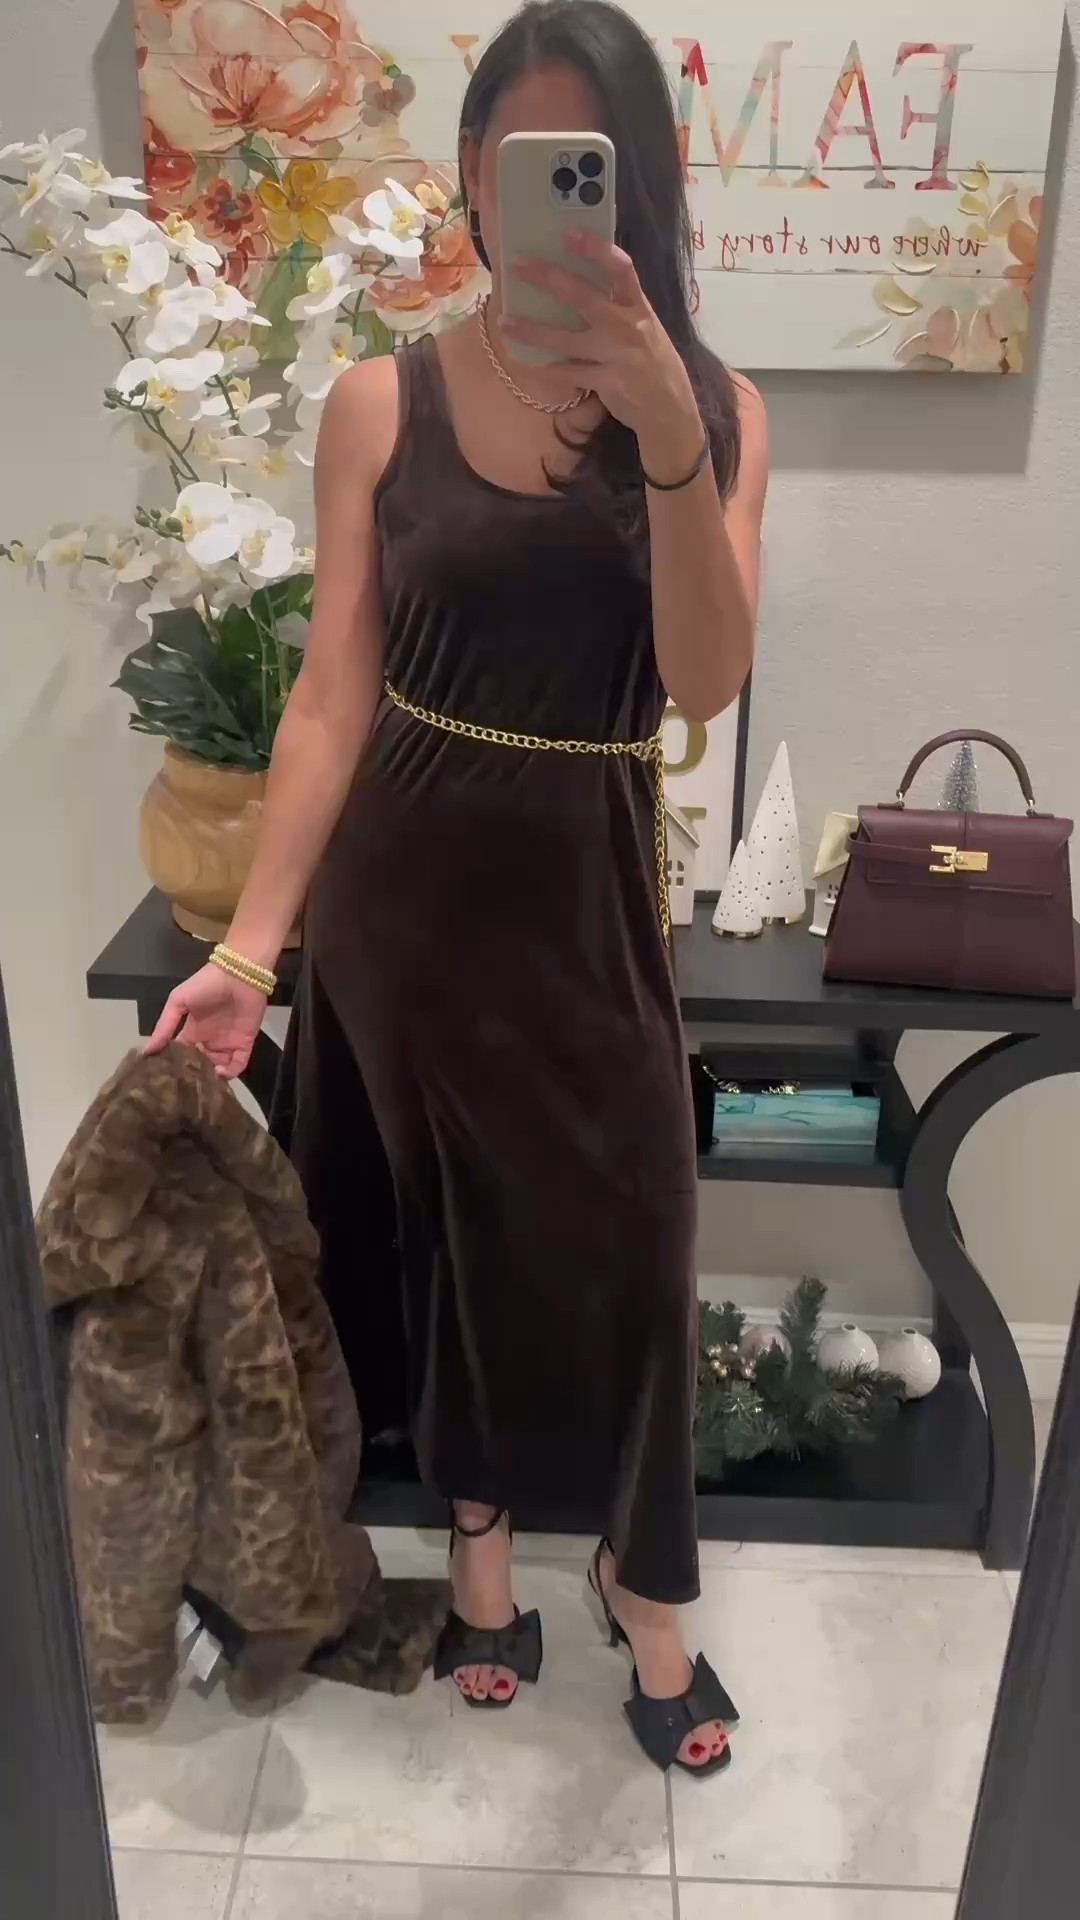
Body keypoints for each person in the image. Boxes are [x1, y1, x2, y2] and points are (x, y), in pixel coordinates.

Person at [148, 0, 768, 1778]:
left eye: (592, 163)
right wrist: (250, 947)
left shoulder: (720, 409)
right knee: (445, 1235)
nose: (546, 197)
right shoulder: (381, 400)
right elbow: (330, 697)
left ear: (640, 187)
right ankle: (480, 1554)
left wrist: (668, 434)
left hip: (588, 897)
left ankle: (644, 1582)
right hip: (404, 910)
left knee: (634, 1231)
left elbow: (705, 681)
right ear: (475, 177)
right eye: (520, 160)